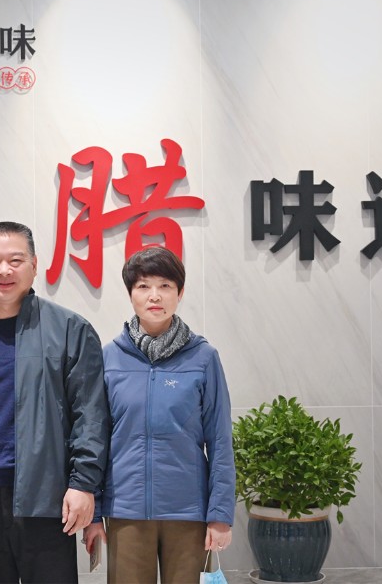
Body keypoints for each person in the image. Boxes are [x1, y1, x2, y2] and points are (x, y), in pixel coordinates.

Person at [0, 221, 110, 584]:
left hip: (48, 499)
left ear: (34, 265)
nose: (4, 271)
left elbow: (90, 415)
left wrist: (83, 484)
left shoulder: (70, 330)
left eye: (15, 260)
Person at [83, 246, 235, 584]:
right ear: (130, 294)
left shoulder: (203, 358)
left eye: (165, 286)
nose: (155, 296)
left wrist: (220, 514)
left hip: (188, 510)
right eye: (144, 286)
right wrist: (94, 512)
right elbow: (94, 439)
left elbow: (220, 440)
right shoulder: (109, 358)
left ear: (180, 293)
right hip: (125, 509)